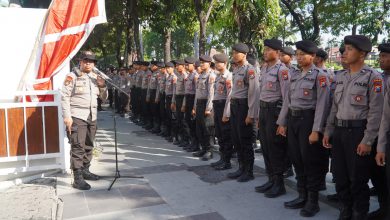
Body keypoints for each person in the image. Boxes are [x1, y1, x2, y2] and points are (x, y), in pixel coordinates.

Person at [323, 35, 384, 219]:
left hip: (359, 132)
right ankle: (345, 209)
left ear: (362, 54)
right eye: (345, 48)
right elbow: (335, 107)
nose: (345, 52)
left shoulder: (373, 78)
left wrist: (367, 141)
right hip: (340, 132)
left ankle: (359, 213)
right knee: (340, 176)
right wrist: (328, 130)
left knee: (358, 178)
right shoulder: (341, 77)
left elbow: (376, 113)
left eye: (350, 49)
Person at [277, 40, 330, 217]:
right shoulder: (296, 74)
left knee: (310, 162)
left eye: (302, 54)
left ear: (313, 56)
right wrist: (282, 122)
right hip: (293, 120)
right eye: (297, 54)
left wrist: (316, 130)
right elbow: (287, 101)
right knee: (297, 159)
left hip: (309, 120)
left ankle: (313, 202)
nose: (299, 58)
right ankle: (302, 195)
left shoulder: (320, 75)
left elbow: (323, 104)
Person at [61, 51, 108, 190]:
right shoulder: (72, 76)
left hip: (92, 116)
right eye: (85, 60)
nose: (88, 63)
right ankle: (77, 177)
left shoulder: (95, 77)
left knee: (88, 145)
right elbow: (64, 97)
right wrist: (67, 116)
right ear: (80, 62)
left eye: (91, 61)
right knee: (77, 146)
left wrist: (102, 85)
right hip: (77, 116)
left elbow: (104, 98)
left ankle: (86, 170)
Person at [255, 39, 290, 198]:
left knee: (275, 148)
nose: (265, 52)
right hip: (263, 110)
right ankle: (271, 179)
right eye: (264, 49)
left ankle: (279, 184)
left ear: (278, 53)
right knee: (266, 147)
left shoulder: (282, 70)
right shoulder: (264, 68)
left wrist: (282, 121)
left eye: (269, 49)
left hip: (274, 111)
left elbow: (287, 98)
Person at [224, 43, 260, 182]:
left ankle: (249, 171)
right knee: (236, 139)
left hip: (243, 106)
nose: (233, 55)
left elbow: (253, 93)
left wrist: (251, 114)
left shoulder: (250, 70)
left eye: (235, 53)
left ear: (244, 54)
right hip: (234, 106)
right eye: (232, 52)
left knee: (245, 140)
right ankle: (241, 167)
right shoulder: (236, 69)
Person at [372, 42, 390, 220]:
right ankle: (383, 208)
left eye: (385, 56)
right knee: (377, 174)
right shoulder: (378, 78)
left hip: (386, 132)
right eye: (380, 56)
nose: (381, 60)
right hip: (376, 133)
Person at [210, 53, 233, 170]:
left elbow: (229, 96)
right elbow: (215, 94)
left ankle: (227, 161)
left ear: (225, 63)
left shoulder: (228, 77)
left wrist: (226, 113)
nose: (217, 64)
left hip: (224, 107)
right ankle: (222, 158)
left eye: (219, 62)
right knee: (219, 134)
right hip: (217, 106)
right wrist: (213, 109)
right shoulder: (218, 76)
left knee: (226, 135)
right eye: (216, 62)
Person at [192, 55, 216, 161]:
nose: (201, 64)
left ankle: (209, 151)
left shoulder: (211, 75)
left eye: (203, 63)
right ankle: (203, 148)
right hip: (199, 104)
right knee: (199, 128)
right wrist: (194, 106)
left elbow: (211, 93)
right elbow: (197, 93)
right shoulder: (201, 75)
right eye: (200, 62)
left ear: (209, 64)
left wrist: (209, 108)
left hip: (207, 104)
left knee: (208, 128)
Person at [183, 57, 200, 152]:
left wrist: (194, 106)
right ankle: (192, 142)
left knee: (193, 123)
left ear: (193, 65)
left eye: (187, 64)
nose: (186, 66)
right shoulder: (189, 75)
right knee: (188, 121)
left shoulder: (195, 75)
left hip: (193, 99)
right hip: (188, 98)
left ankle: (196, 144)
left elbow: (197, 92)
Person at [172, 60, 188, 146]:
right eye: (176, 65)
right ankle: (181, 138)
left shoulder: (185, 76)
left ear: (183, 66)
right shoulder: (179, 76)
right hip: (178, 99)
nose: (177, 67)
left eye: (179, 65)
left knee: (183, 121)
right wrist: (173, 101)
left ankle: (186, 140)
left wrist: (184, 104)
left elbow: (186, 92)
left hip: (182, 99)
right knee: (178, 119)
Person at [164, 62, 177, 142]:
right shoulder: (168, 77)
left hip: (172, 98)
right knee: (168, 117)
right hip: (167, 98)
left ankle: (174, 136)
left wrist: (173, 101)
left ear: (173, 68)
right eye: (167, 68)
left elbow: (174, 91)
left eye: (169, 68)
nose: (167, 69)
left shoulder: (174, 77)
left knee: (173, 118)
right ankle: (169, 134)